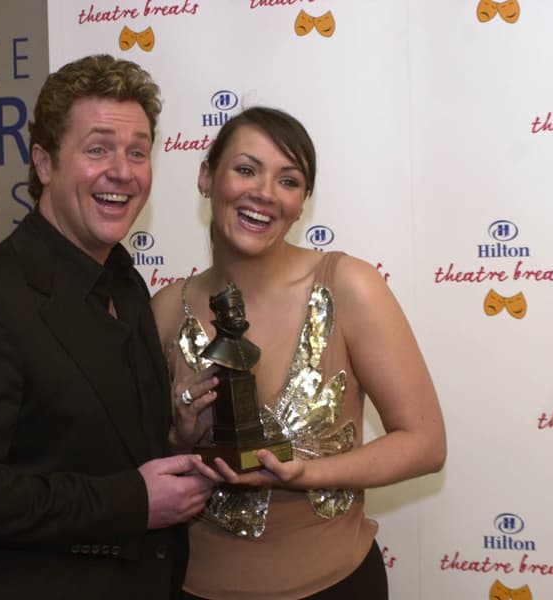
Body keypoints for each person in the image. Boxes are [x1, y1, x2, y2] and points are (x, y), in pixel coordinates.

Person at [0, 54, 219, 599]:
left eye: (138, 151)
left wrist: (176, 437)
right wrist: (132, 502)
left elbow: (101, 445)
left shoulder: (125, 283)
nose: (122, 171)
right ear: (45, 162)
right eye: (97, 148)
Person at [151, 106, 446, 599]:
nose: (264, 193)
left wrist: (305, 474)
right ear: (207, 176)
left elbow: (425, 442)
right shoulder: (164, 309)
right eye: (246, 169)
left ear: (302, 201)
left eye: (288, 181)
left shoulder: (348, 285)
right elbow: (144, 465)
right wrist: (180, 438)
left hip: (336, 585)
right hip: (195, 586)